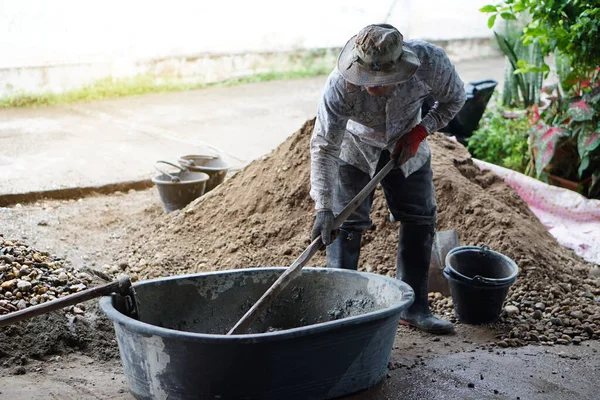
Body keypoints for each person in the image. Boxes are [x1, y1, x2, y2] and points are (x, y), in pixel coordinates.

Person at [309, 23, 466, 334]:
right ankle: (339, 312)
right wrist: (324, 206)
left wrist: (421, 131)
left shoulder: (431, 64)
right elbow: (325, 145)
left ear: (400, 69)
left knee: (420, 216)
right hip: (354, 149)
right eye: (364, 78)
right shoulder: (339, 85)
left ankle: (414, 307)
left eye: (379, 82)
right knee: (346, 222)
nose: (369, 87)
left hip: (408, 143)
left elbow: (454, 99)